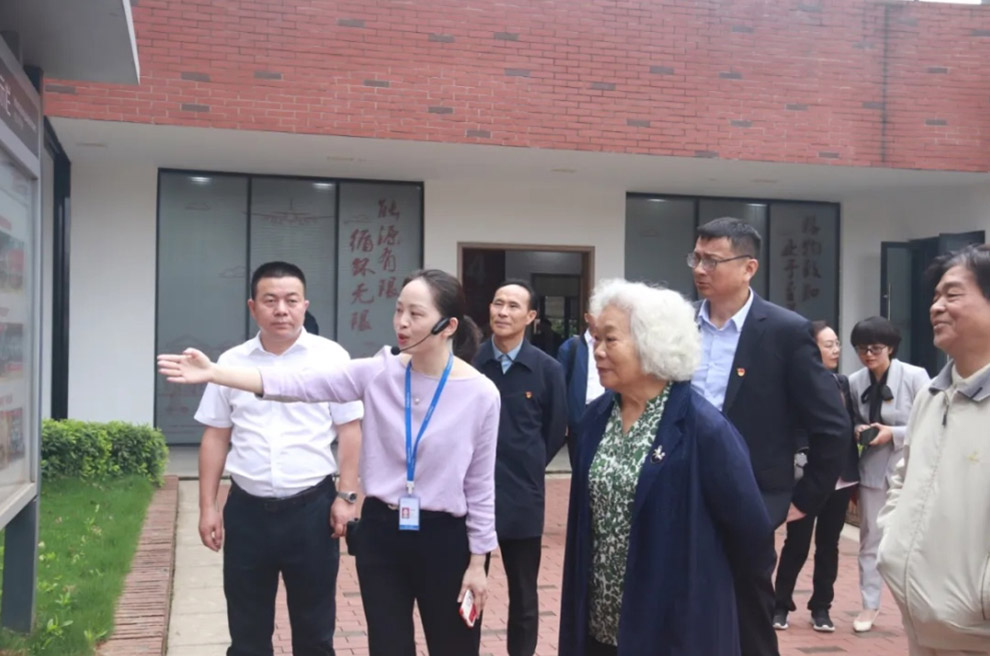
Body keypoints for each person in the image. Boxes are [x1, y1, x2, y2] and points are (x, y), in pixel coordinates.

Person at [160, 269, 500, 656]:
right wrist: (215, 373)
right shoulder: (378, 372)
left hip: (446, 540)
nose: (402, 323)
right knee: (388, 646)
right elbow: (298, 384)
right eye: (398, 310)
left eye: (415, 314)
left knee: (454, 646)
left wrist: (479, 562)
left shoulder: (481, 394)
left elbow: (480, 485)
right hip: (382, 533)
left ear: (448, 325)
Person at [559, 279, 773, 656]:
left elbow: (752, 539)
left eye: (611, 340)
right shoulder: (594, 419)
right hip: (599, 626)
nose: (598, 351)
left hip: (674, 629)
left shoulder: (704, 430)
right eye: (596, 339)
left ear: (652, 344)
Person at [689, 217, 850, 656]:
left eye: (712, 260)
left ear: (749, 267)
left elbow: (831, 426)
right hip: (681, 490)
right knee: (683, 611)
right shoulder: (680, 324)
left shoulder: (785, 331)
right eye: (696, 258)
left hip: (751, 497)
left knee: (748, 617)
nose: (700, 269)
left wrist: (802, 500)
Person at [193, 261, 364, 656]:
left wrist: (347, 495)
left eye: (291, 300)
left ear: (305, 305)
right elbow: (216, 436)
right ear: (253, 308)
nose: (281, 310)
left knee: (314, 632)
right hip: (247, 512)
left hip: (312, 511)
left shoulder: (331, 357)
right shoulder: (230, 363)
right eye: (270, 300)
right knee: (247, 633)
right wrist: (207, 507)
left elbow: (350, 430)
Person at [877, 244, 990, 656]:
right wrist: (892, 545)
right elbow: (904, 477)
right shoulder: (932, 395)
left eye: (953, 294)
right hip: (924, 625)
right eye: (936, 296)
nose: (937, 307)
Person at [472, 279, 567, 656]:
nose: (503, 312)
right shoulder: (470, 362)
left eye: (513, 306)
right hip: (470, 496)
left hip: (522, 497)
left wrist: (527, 464)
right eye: (498, 303)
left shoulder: (548, 370)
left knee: (524, 594)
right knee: (468, 587)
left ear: (530, 317)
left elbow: (555, 430)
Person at [772, 321, 860, 633]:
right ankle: (780, 605)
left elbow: (847, 425)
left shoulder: (841, 383)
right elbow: (791, 428)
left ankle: (821, 607)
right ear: (811, 349)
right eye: (828, 344)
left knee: (829, 544)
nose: (836, 350)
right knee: (796, 543)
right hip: (807, 477)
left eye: (837, 343)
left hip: (840, 478)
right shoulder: (795, 385)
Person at [846, 315, 930, 633]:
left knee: (916, 538)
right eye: (861, 348)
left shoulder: (915, 376)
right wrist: (860, 430)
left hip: (909, 466)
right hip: (872, 467)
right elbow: (853, 419)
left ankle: (919, 606)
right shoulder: (855, 381)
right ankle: (869, 604)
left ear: (891, 348)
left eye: (875, 348)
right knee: (870, 538)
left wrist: (891, 433)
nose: (868, 354)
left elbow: (928, 422)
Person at [557, 313, 606, 469]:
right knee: (579, 465)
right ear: (587, 317)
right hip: (579, 414)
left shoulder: (612, 346)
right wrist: (562, 420)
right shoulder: (570, 348)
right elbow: (560, 386)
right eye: (596, 313)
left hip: (606, 410)